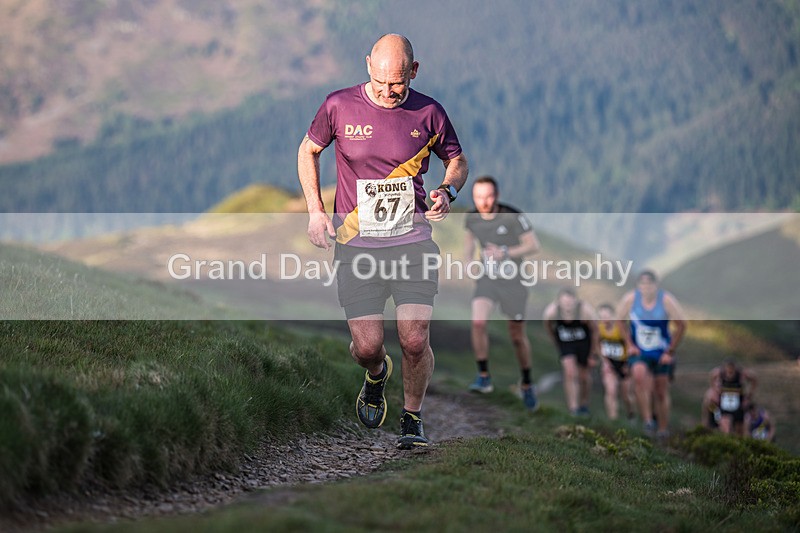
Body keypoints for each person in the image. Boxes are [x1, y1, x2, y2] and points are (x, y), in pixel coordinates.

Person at [297, 34, 468, 449]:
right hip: (358, 245)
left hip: (412, 241)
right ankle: (376, 374)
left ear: (414, 70)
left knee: (414, 338)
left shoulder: (429, 112)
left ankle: (412, 418)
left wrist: (447, 190)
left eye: (398, 85)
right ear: (367, 65)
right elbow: (308, 150)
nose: (389, 93)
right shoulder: (338, 105)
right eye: (380, 83)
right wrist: (316, 210)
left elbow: (457, 160)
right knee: (367, 346)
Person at [463, 176, 541, 410]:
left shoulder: (512, 215)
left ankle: (527, 383)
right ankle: (484, 376)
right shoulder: (471, 217)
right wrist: (468, 263)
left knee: (517, 336)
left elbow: (533, 245)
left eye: (487, 196)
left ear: (495, 196)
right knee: (478, 323)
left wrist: (505, 252)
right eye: (478, 197)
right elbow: (469, 246)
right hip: (487, 280)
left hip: (514, 282)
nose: (483, 202)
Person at [617, 270, 687, 438]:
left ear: (656, 285)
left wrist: (670, 351)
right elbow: (619, 321)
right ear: (638, 286)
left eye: (649, 284)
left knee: (661, 390)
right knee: (639, 378)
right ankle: (648, 421)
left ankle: (663, 429)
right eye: (642, 284)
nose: (646, 288)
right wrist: (629, 344)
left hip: (661, 351)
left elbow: (682, 325)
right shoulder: (630, 299)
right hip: (640, 350)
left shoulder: (666, 300)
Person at [543, 288, 599, 416]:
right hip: (566, 342)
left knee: (584, 376)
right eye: (564, 302)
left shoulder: (585, 311)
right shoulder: (552, 312)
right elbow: (547, 326)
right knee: (569, 372)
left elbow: (595, 331)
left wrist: (593, 353)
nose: (567, 306)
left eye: (570, 303)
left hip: (584, 342)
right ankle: (573, 409)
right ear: (559, 302)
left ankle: (584, 404)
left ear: (575, 301)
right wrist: (556, 341)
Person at [597, 303, 634, 421]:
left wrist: (628, 364)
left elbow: (630, 346)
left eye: (606, 316)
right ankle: (613, 419)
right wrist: (604, 361)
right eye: (601, 317)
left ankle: (631, 414)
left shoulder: (620, 328)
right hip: (610, 363)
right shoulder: (599, 328)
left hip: (624, 363)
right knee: (610, 391)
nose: (604, 319)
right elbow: (596, 345)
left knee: (626, 395)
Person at [706, 358, 757, 436]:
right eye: (728, 371)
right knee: (725, 425)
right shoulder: (719, 373)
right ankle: (727, 439)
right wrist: (715, 390)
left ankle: (738, 443)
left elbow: (754, 378)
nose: (730, 373)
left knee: (739, 429)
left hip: (738, 403)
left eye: (732, 371)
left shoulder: (741, 374)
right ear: (725, 368)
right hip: (724, 404)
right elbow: (712, 376)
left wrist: (750, 394)